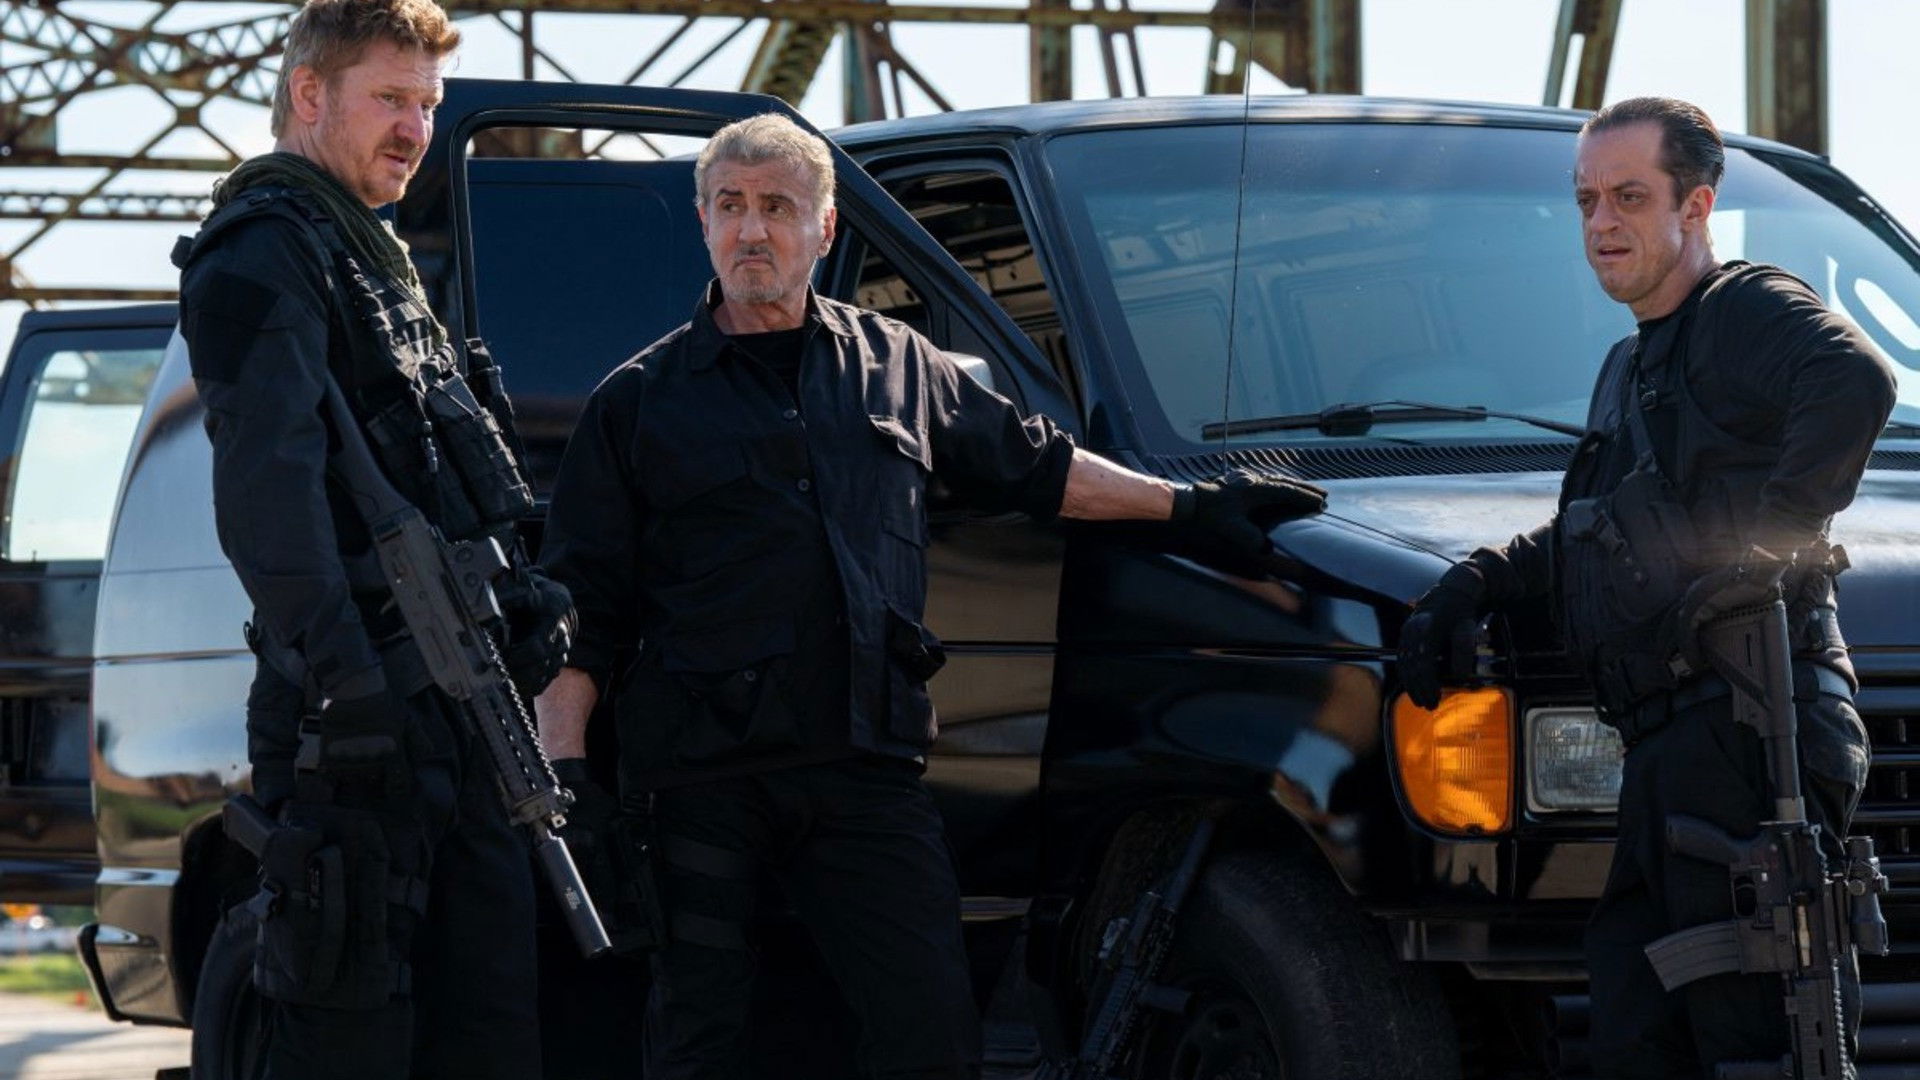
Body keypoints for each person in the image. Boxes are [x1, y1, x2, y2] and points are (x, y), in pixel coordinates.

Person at [533, 112, 1325, 1080]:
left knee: (933, 1033)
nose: (752, 230)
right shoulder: (636, 401)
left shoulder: (898, 365)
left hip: (864, 770)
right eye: (730, 206)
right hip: (702, 783)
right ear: (702, 222)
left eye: (777, 206)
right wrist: (567, 777)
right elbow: (580, 615)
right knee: (702, 1040)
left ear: (824, 228)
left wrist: (1191, 506)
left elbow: (1039, 468)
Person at [1398, 97, 1895, 1078]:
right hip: (1667, 752)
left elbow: (1855, 377)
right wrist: (1478, 581)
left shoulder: (1740, 308)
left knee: (1754, 1042)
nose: (1601, 223)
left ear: (1695, 206)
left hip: (1753, 723)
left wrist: (1770, 550)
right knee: (1637, 1035)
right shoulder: (1630, 366)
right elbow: (1601, 530)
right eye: (1586, 200)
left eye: (1630, 197)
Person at [173, 0, 574, 1075]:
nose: (415, 129)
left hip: (451, 703)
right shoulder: (263, 249)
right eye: (391, 98)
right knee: (348, 1036)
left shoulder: (375, 258)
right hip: (353, 715)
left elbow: (434, 473)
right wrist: (349, 682)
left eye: (429, 105)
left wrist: (525, 595)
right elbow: (269, 495)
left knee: (487, 1027)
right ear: (310, 94)